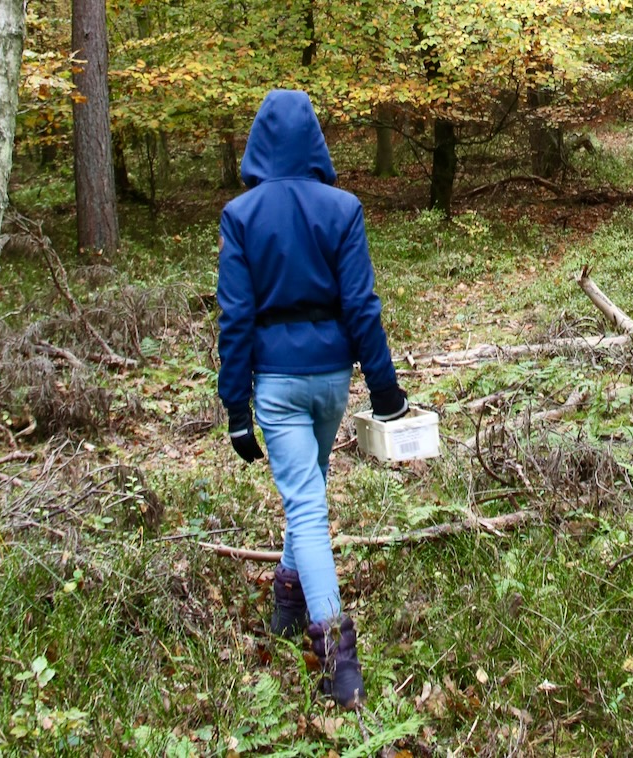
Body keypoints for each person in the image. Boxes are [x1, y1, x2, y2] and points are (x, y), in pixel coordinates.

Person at [216, 89, 408, 710]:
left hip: (276, 381)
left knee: (305, 503)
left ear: (259, 143)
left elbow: (235, 318)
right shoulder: (342, 208)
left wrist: (236, 407)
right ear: (315, 142)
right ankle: (288, 596)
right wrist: (383, 387)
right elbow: (361, 305)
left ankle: (336, 655)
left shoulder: (241, 215)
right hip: (330, 379)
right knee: (310, 490)